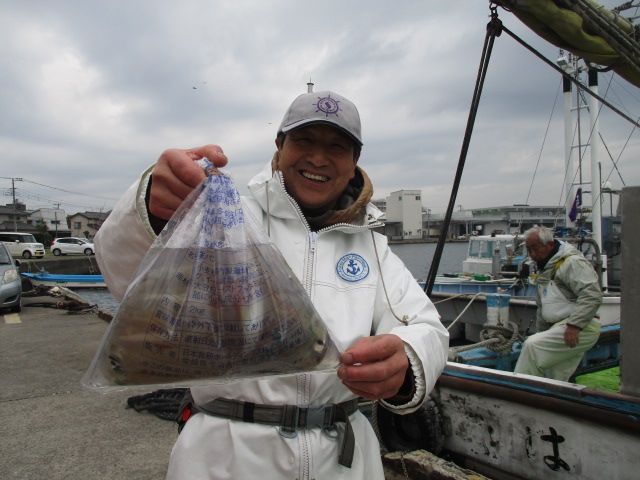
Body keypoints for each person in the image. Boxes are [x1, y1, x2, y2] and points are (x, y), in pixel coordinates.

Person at [94, 89, 449, 479]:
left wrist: (406, 360)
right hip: (224, 456)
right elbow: (125, 275)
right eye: (304, 140)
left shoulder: (372, 246)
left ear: (354, 163)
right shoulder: (226, 216)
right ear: (279, 147)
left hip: (347, 458)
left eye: (336, 147)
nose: (318, 158)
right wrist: (151, 208)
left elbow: (427, 327)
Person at [514, 226, 602, 381]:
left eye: (535, 248)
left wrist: (574, 326)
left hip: (581, 327)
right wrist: (541, 332)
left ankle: (518, 390)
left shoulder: (572, 262)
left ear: (549, 245)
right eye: (528, 249)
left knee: (532, 346)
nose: (532, 254)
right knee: (555, 376)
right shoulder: (546, 267)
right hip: (559, 327)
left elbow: (592, 294)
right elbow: (543, 306)